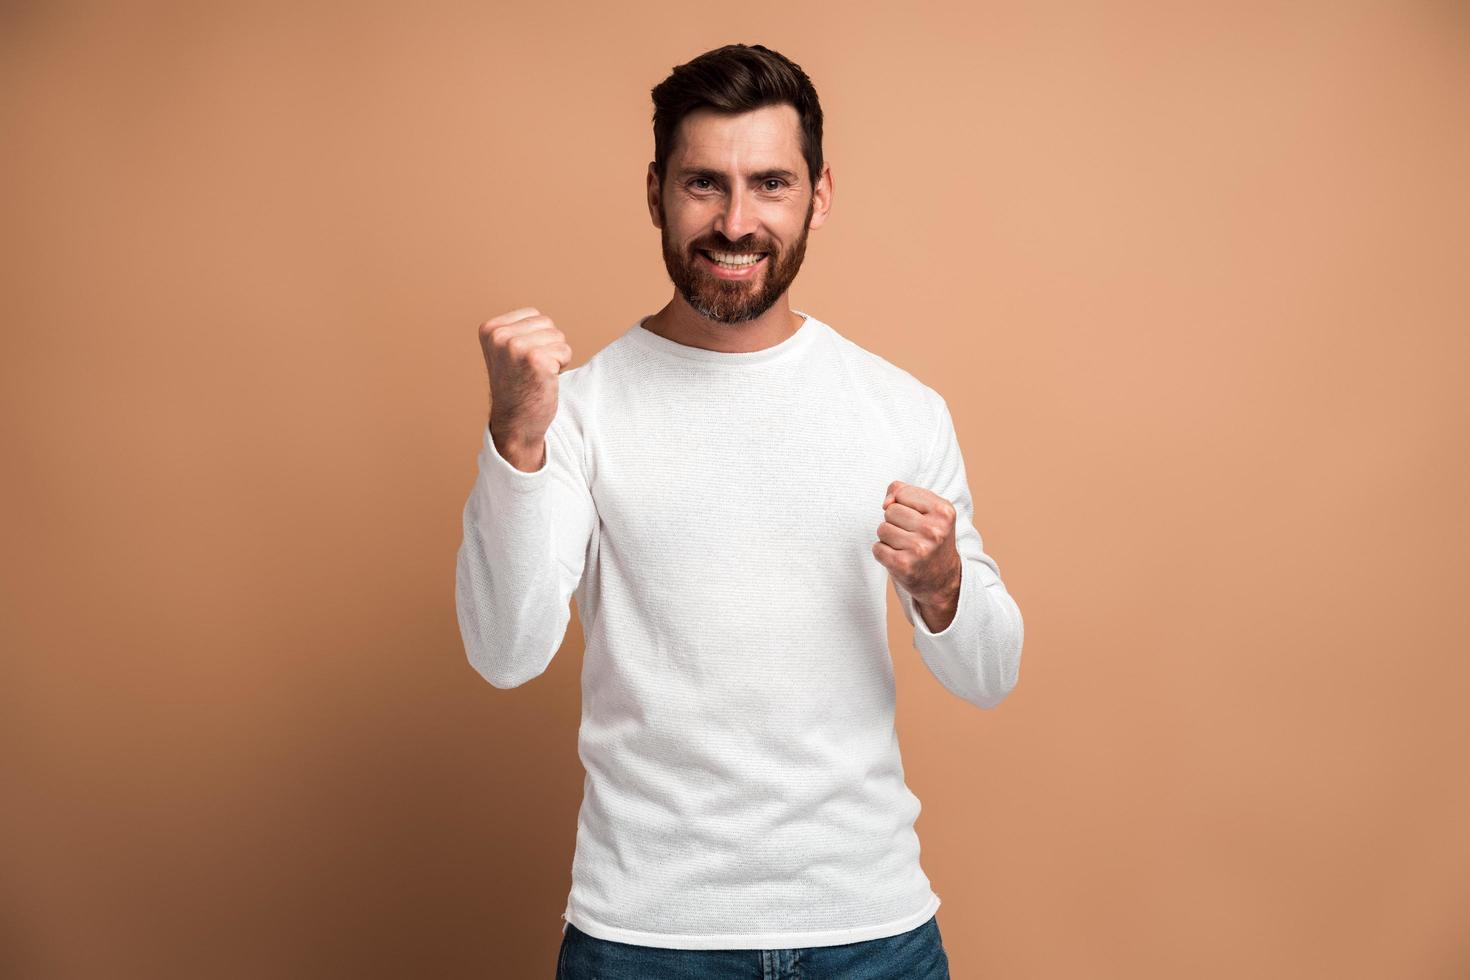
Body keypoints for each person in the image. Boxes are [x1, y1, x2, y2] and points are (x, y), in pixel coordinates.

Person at [455, 42, 1023, 980]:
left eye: (769, 183)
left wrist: (945, 584)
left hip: (872, 933)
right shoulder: (581, 410)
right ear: (654, 194)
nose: (734, 221)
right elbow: (505, 654)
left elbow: (991, 674)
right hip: (645, 940)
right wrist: (516, 437)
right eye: (702, 184)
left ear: (820, 195)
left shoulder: (899, 407)